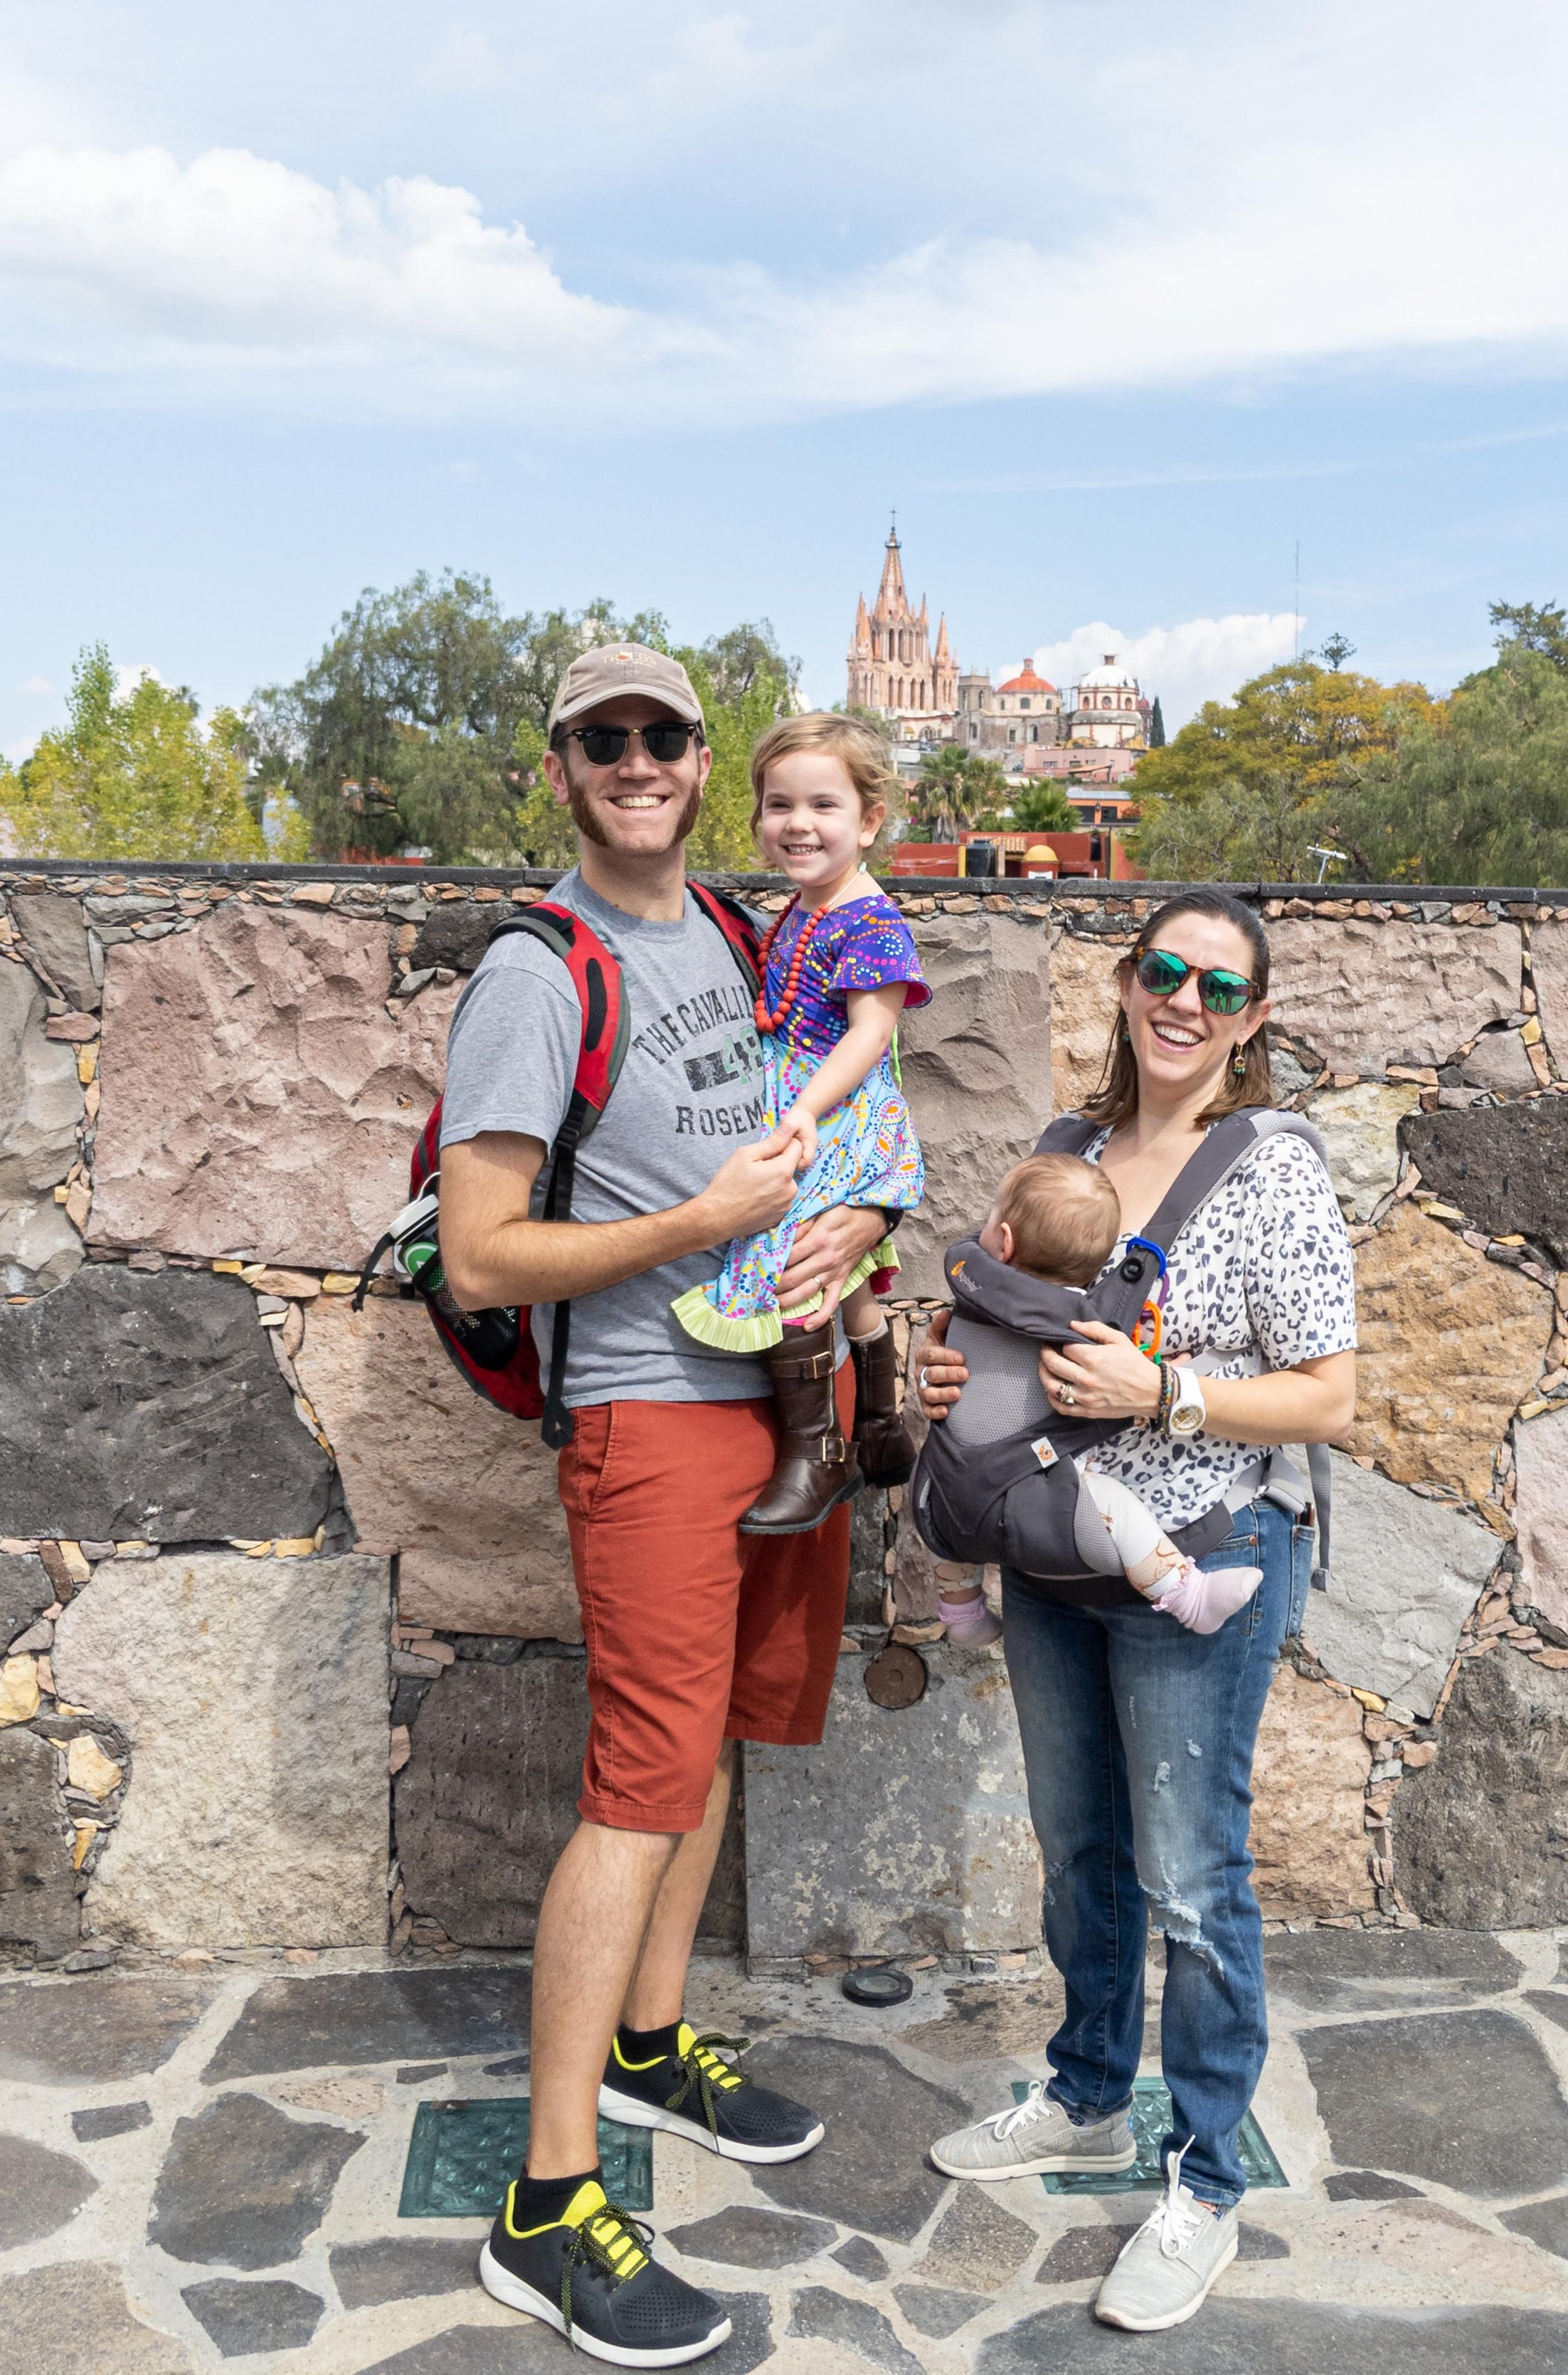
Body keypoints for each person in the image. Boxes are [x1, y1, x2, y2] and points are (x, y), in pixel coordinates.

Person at [437, 642, 891, 2367]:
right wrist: (692, 1231)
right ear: (561, 767)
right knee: (637, 1783)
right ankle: (547, 2200)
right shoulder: (538, 971)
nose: (637, 761)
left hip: (778, 1393)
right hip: (647, 1413)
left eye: (662, 735)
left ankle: (649, 2039)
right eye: (601, 739)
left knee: (703, 1750)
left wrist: (857, 1227)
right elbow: (486, 1250)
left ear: (703, 760)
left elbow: (817, 1123)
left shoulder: (728, 925)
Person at [916, 888, 1357, 2335]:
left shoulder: (1272, 1168)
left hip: (1195, 1558)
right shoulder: (1061, 1150)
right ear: (1123, 983)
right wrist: (945, 1386)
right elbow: (997, 1324)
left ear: (1249, 1021)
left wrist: (1163, 1388)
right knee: (1080, 1849)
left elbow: (1327, 1397)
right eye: (1163, 971)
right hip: (1051, 1555)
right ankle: (1088, 2086)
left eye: (1217, 989)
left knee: (1188, 1875)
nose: (1184, 1001)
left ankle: (1208, 2177)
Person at [672, 712, 925, 1530]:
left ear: (870, 820)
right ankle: (883, 1425)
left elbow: (871, 1032)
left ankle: (816, 1454)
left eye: (823, 805)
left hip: (841, 1107)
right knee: (845, 1281)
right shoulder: (809, 907)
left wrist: (805, 1112)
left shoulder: (870, 920)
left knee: (792, 1262)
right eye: (779, 805)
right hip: (811, 1096)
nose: (798, 824)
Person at [920, 1152, 1262, 1645]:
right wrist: (1167, 1374)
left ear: (1005, 1241)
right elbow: (1114, 1387)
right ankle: (1188, 1596)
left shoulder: (970, 1284)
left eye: (990, 1218)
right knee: (1115, 1507)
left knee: (935, 1475)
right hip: (1033, 1501)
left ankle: (962, 1612)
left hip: (948, 1491)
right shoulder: (1085, 1326)